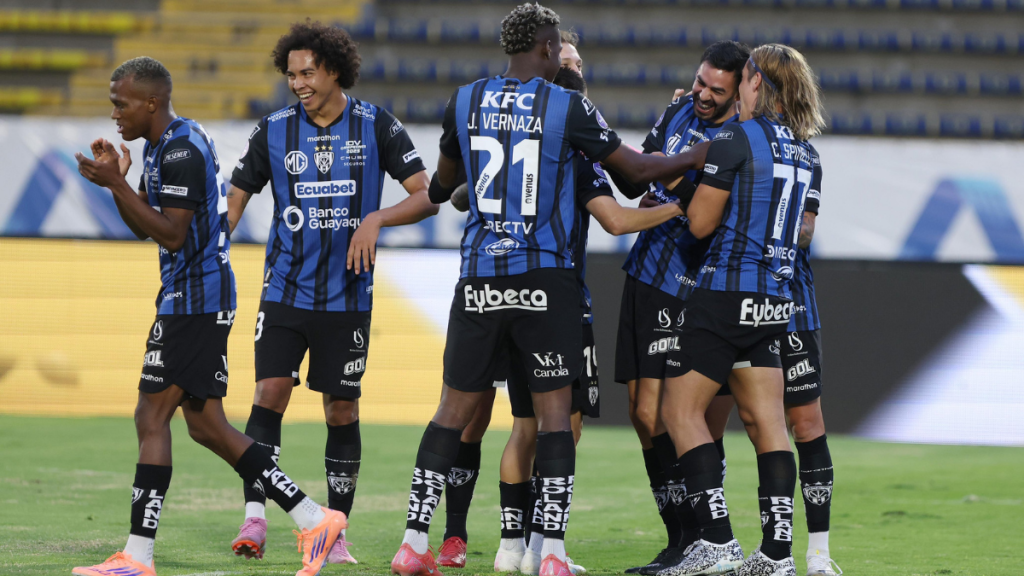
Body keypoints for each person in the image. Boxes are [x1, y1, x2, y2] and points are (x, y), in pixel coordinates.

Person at [390, 4, 710, 576]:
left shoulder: (464, 100)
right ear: (546, 49)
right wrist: (701, 153)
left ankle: (413, 543)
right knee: (555, 417)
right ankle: (553, 555)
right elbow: (636, 174)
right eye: (559, 46)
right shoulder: (567, 106)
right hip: (545, 277)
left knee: (451, 412)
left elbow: (443, 185)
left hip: (480, 275)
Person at [71, 56, 346, 576]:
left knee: (151, 417)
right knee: (207, 426)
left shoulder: (180, 149)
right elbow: (146, 226)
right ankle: (314, 517)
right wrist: (119, 182)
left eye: (120, 103)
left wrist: (115, 185)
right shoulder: (162, 146)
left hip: (194, 300)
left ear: (151, 102)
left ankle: (138, 555)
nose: (114, 114)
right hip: (196, 296)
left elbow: (173, 235)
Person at [224, 21, 436, 564]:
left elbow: (426, 195)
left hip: (348, 296)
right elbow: (236, 198)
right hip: (285, 289)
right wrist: (210, 240)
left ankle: (335, 532)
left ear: (335, 71)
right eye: (291, 74)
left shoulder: (376, 125)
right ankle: (255, 516)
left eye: (308, 73)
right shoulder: (274, 130)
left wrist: (377, 219)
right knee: (268, 393)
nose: (298, 83)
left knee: (341, 410)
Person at [657, 43, 826, 576]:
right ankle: (777, 554)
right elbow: (801, 231)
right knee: (767, 422)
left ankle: (717, 541)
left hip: (726, 292)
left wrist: (677, 185)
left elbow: (700, 224)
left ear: (755, 82)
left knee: (679, 412)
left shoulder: (736, 138)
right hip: (775, 299)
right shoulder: (807, 153)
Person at [602, 40, 750, 576]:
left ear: (738, 93)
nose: (703, 96)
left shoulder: (740, 138)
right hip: (646, 270)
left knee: (685, 418)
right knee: (641, 414)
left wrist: (666, 179)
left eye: (717, 90)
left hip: (694, 283)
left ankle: (702, 538)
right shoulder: (678, 109)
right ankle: (681, 540)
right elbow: (639, 173)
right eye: (700, 83)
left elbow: (707, 213)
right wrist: (656, 182)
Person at [703, 205, 841, 576]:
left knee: (806, 423)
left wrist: (748, 230)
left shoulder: (802, 167)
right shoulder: (730, 163)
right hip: (728, 300)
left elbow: (806, 232)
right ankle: (715, 543)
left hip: (791, 307)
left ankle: (818, 554)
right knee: (709, 420)